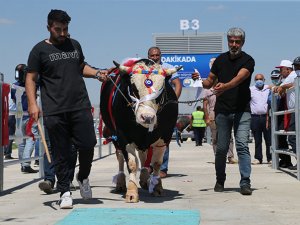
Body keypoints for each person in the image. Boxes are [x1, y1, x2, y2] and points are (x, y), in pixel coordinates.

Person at [26, 9, 108, 209]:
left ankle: (83, 177)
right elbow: (31, 78)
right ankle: (64, 191)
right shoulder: (39, 50)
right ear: (49, 28)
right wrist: (32, 104)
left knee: (88, 144)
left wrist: (97, 73)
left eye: (65, 29)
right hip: (54, 109)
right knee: (61, 152)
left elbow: (81, 67)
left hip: (80, 105)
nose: (62, 33)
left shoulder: (74, 44)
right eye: (58, 29)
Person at [193, 27, 255, 195]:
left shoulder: (248, 60)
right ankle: (220, 180)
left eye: (237, 42)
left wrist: (224, 86)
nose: (234, 44)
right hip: (222, 111)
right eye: (231, 41)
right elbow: (209, 82)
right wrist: (199, 80)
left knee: (242, 145)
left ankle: (245, 182)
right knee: (221, 148)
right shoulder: (220, 60)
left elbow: (238, 79)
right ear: (228, 41)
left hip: (242, 110)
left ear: (242, 42)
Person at [147, 46, 182, 178]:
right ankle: (149, 166)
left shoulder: (168, 67)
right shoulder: (144, 68)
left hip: (164, 110)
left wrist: (173, 103)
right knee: (147, 137)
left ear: (160, 55)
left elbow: (178, 84)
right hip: (149, 109)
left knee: (163, 138)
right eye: (152, 56)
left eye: (157, 55)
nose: (155, 58)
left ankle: (163, 167)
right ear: (148, 56)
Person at [202, 59, 238, 164]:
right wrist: (207, 117)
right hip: (213, 114)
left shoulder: (225, 86)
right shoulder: (207, 90)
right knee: (215, 137)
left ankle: (230, 156)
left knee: (228, 136)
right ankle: (218, 157)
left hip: (225, 112)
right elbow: (205, 104)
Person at [272, 60, 294, 169]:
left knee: (292, 138)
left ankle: (289, 160)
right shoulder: (285, 79)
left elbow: (293, 84)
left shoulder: (292, 76)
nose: (280, 72)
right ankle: (285, 160)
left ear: (288, 69)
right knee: (282, 136)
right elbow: (279, 87)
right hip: (288, 110)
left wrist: (282, 87)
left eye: (282, 69)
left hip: (292, 110)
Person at [250, 74, 271, 165]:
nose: (259, 81)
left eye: (261, 79)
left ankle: (270, 158)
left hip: (266, 118)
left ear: (264, 79)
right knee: (257, 139)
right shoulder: (251, 90)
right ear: (255, 80)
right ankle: (258, 158)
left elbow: (275, 86)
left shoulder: (268, 88)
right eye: (257, 79)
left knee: (269, 139)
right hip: (255, 117)